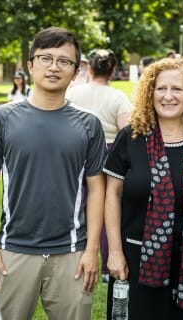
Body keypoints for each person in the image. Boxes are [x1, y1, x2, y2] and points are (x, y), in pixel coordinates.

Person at [0, 26, 107, 320]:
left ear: (75, 72)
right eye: (45, 58)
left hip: (72, 253)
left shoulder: (89, 124)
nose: (54, 67)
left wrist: (91, 250)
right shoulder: (2, 118)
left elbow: (97, 189)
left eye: (64, 61)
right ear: (30, 65)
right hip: (13, 252)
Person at [104, 58, 183, 320]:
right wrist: (114, 252)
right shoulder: (131, 137)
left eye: (177, 89)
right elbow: (111, 194)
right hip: (135, 258)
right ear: (151, 92)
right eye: (161, 89)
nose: (168, 96)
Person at [66, 48, 132, 284]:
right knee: (104, 207)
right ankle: (104, 266)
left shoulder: (74, 93)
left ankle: (76, 252)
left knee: (79, 205)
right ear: (113, 70)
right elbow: (126, 131)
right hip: (108, 154)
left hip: (77, 152)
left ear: (90, 68)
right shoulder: (118, 97)